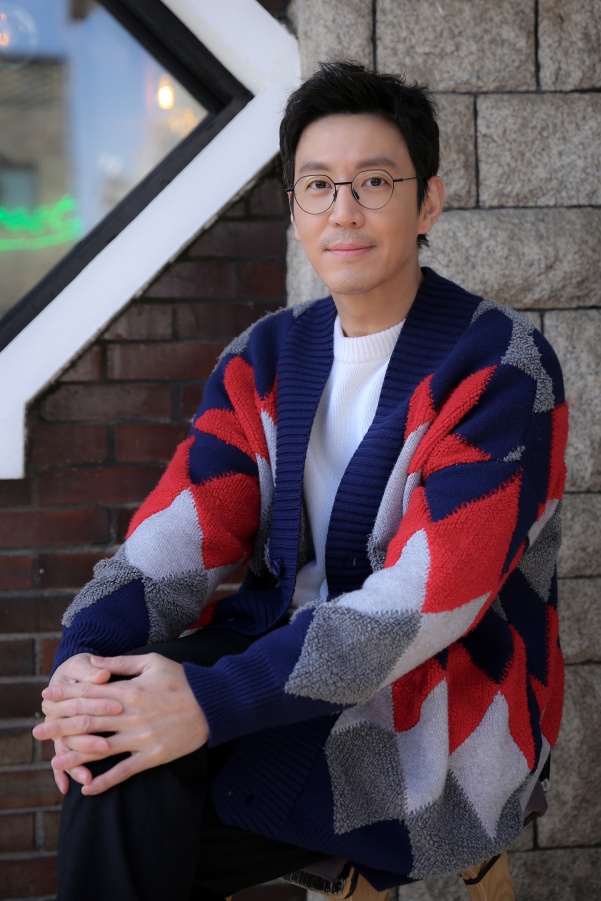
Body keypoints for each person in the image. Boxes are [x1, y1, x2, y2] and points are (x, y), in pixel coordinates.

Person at [33, 60, 568, 900]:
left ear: (427, 202)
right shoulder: (265, 355)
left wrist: (208, 700)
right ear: (293, 208)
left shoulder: (500, 366)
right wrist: (83, 666)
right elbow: (180, 533)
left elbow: (425, 602)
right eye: (317, 185)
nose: (342, 210)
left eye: (373, 182)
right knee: (112, 737)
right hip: (280, 660)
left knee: (128, 793)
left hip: (439, 701)